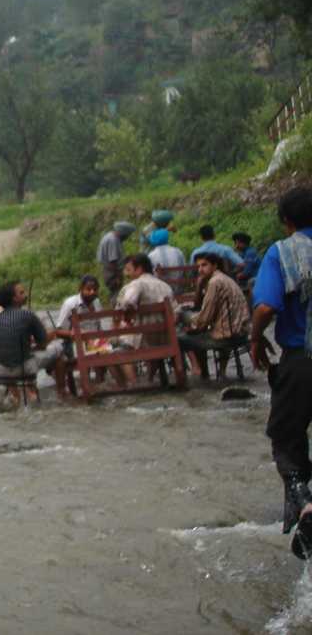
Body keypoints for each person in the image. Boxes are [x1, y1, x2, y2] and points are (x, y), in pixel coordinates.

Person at [248, 187, 312, 558]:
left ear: (287, 222)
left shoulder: (282, 252)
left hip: (301, 362)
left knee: (286, 439)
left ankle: (304, 502)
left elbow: (265, 307)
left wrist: (255, 340)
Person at [0, 281, 65, 395]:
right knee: (58, 349)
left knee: (27, 357)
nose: (26, 295)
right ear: (14, 299)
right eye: (22, 293)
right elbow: (43, 344)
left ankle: (21, 395)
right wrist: (52, 335)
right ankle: (62, 393)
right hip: (23, 368)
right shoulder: (27, 315)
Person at [179, 254, 250, 379]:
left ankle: (204, 375)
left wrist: (190, 324)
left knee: (183, 339)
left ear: (215, 265)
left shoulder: (214, 282)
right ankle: (220, 372)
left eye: (204, 265)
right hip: (241, 332)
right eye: (198, 266)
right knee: (199, 330)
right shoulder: (225, 278)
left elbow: (205, 316)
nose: (200, 269)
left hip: (227, 334)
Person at [97, 221, 135, 296]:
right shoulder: (113, 240)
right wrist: (117, 277)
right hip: (112, 273)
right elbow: (113, 261)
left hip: (110, 271)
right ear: (123, 233)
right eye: (127, 235)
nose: (127, 237)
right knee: (116, 295)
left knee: (115, 293)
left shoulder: (110, 236)